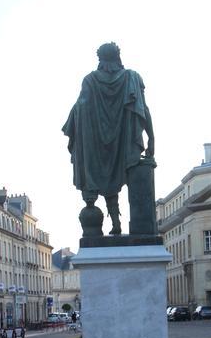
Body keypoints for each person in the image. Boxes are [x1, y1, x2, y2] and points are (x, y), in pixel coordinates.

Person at [63, 42, 154, 234]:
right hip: (125, 141)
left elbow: (80, 107)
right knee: (123, 173)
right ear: (118, 57)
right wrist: (151, 138)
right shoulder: (131, 77)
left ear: (100, 59)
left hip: (95, 143)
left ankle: (111, 224)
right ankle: (124, 225)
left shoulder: (90, 80)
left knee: (100, 176)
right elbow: (143, 110)